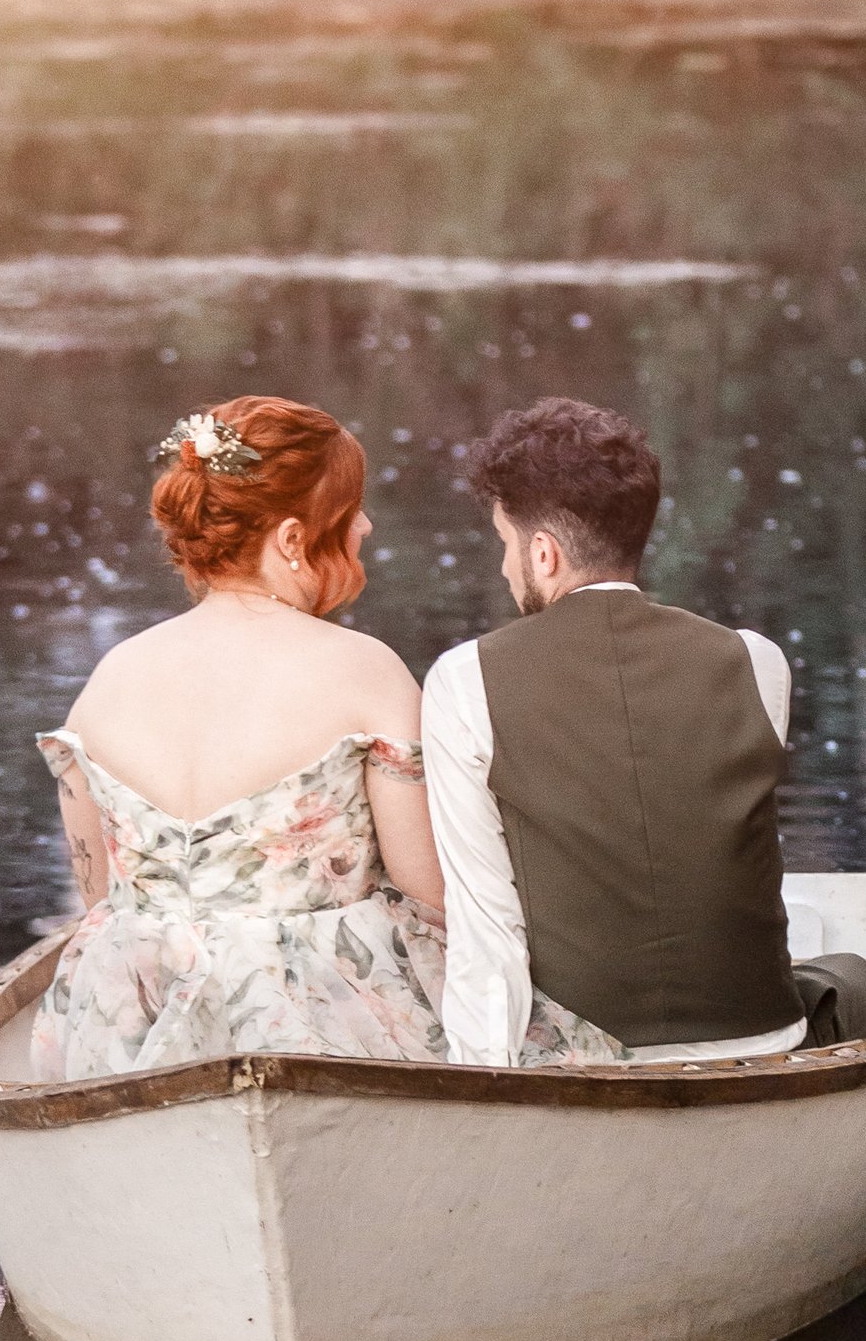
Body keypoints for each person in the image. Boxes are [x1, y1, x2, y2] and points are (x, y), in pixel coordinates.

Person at [32, 392, 608, 1079]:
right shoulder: (365, 672)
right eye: (349, 511)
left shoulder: (108, 679)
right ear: (292, 539)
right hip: (315, 1011)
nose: (364, 525)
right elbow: (430, 890)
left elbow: (98, 894)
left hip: (131, 1006)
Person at [419, 395, 866, 1067]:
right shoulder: (755, 661)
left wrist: (486, 1088)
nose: (505, 569)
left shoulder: (464, 679)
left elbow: (487, 922)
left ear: (543, 553)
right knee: (853, 978)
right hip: (759, 1036)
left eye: (506, 544)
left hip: (585, 1054)